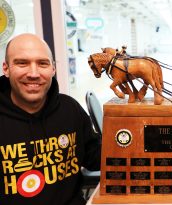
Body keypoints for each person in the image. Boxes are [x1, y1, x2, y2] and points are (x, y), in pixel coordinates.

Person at [0, 33, 101, 205]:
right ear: (6, 68)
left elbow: (96, 159)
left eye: (42, 63)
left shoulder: (70, 110)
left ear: (53, 69)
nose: (33, 73)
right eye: (22, 63)